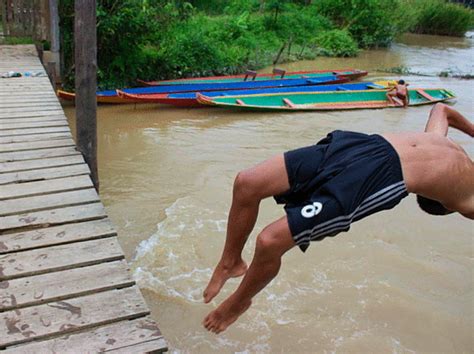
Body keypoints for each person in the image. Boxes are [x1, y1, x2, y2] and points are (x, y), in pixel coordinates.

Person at [202, 103, 473, 334]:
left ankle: (239, 302)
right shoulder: (440, 141)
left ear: (446, 205)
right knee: (247, 182)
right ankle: (230, 262)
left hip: (383, 177)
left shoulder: (468, 202)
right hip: (363, 145)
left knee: (269, 241)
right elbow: (442, 110)